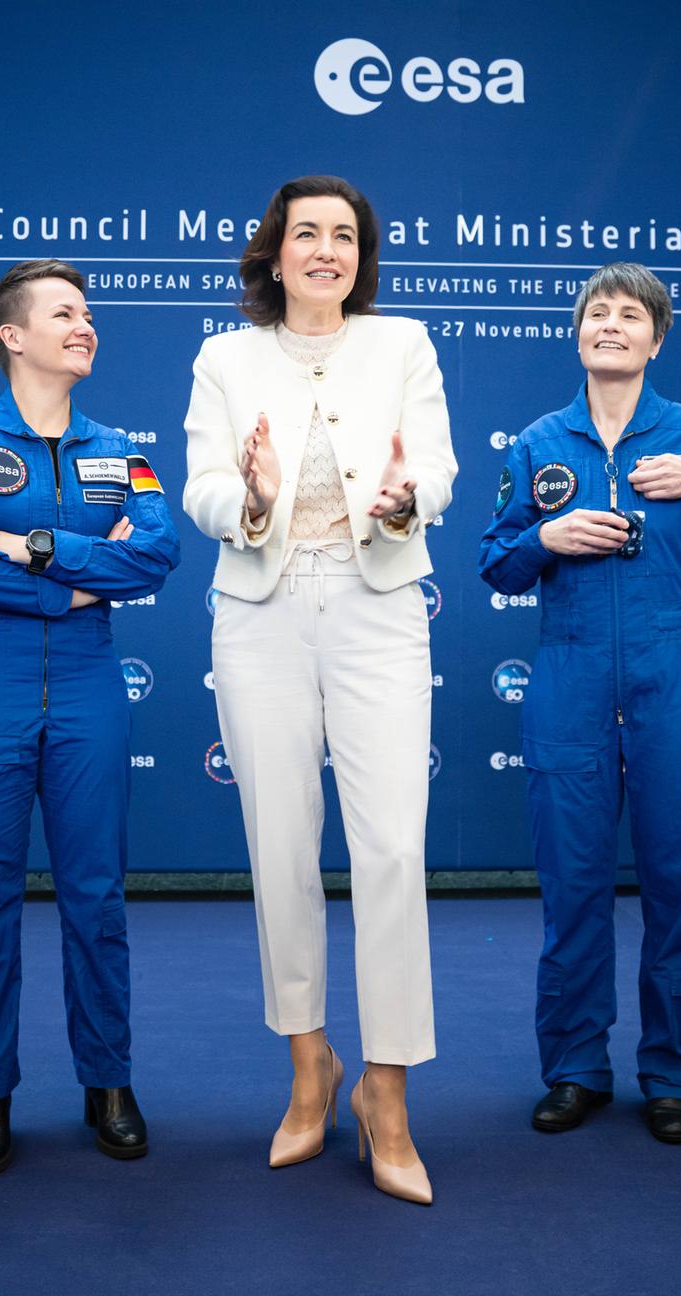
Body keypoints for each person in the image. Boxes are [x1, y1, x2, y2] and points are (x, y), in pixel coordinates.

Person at [183, 175, 456, 1204]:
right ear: (275, 251)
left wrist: (406, 495)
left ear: (361, 258)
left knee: (390, 848)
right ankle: (311, 1069)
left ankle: (385, 1093)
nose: (327, 251)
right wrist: (247, 498)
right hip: (260, 613)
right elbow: (203, 482)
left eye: (345, 237)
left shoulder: (404, 345)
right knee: (282, 848)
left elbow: (437, 466)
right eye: (308, 234)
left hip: (379, 607)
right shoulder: (224, 357)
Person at [480, 263, 681, 1144]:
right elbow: (494, 561)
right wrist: (545, 536)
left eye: (630, 315)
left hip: (673, 674)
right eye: (596, 313)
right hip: (569, 676)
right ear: (577, 335)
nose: (609, 324)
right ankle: (575, 1069)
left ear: (657, 339)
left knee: (679, 885)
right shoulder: (540, 442)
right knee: (573, 886)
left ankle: (671, 1076)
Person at [0, 259, 179, 1174]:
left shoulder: (120, 447)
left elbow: (155, 555)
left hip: (87, 690)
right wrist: (73, 582)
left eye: (89, 312)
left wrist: (31, 546)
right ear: (12, 336)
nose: (86, 325)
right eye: (65, 313)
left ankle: (108, 1081)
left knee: (97, 897)